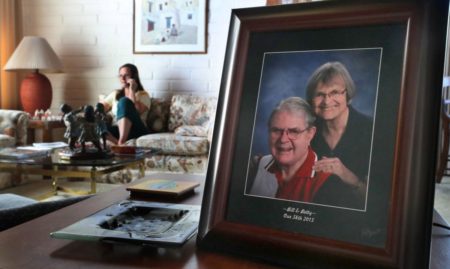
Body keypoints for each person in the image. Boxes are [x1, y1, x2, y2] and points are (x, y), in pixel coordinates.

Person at [249, 97, 361, 208]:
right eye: (276, 130)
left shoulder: (329, 183)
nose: (283, 139)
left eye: (294, 131)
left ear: (310, 134)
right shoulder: (256, 167)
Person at [305, 62, 373, 198]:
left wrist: (347, 175)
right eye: (319, 94)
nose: (326, 101)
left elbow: (380, 200)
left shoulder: (372, 130)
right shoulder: (306, 129)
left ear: (347, 94)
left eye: (334, 92)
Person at [101, 63, 151, 145]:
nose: (123, 78)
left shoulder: (143, 95)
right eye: (120, 76)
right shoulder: (115, 94)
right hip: (117, 129)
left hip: (136, 130)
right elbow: (101, 107)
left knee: (124, 101)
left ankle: (122, 141)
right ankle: (119, 144)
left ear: (134, 77)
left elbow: (137, 111)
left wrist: (132, 90)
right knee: (94, 125)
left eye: (126, 75)